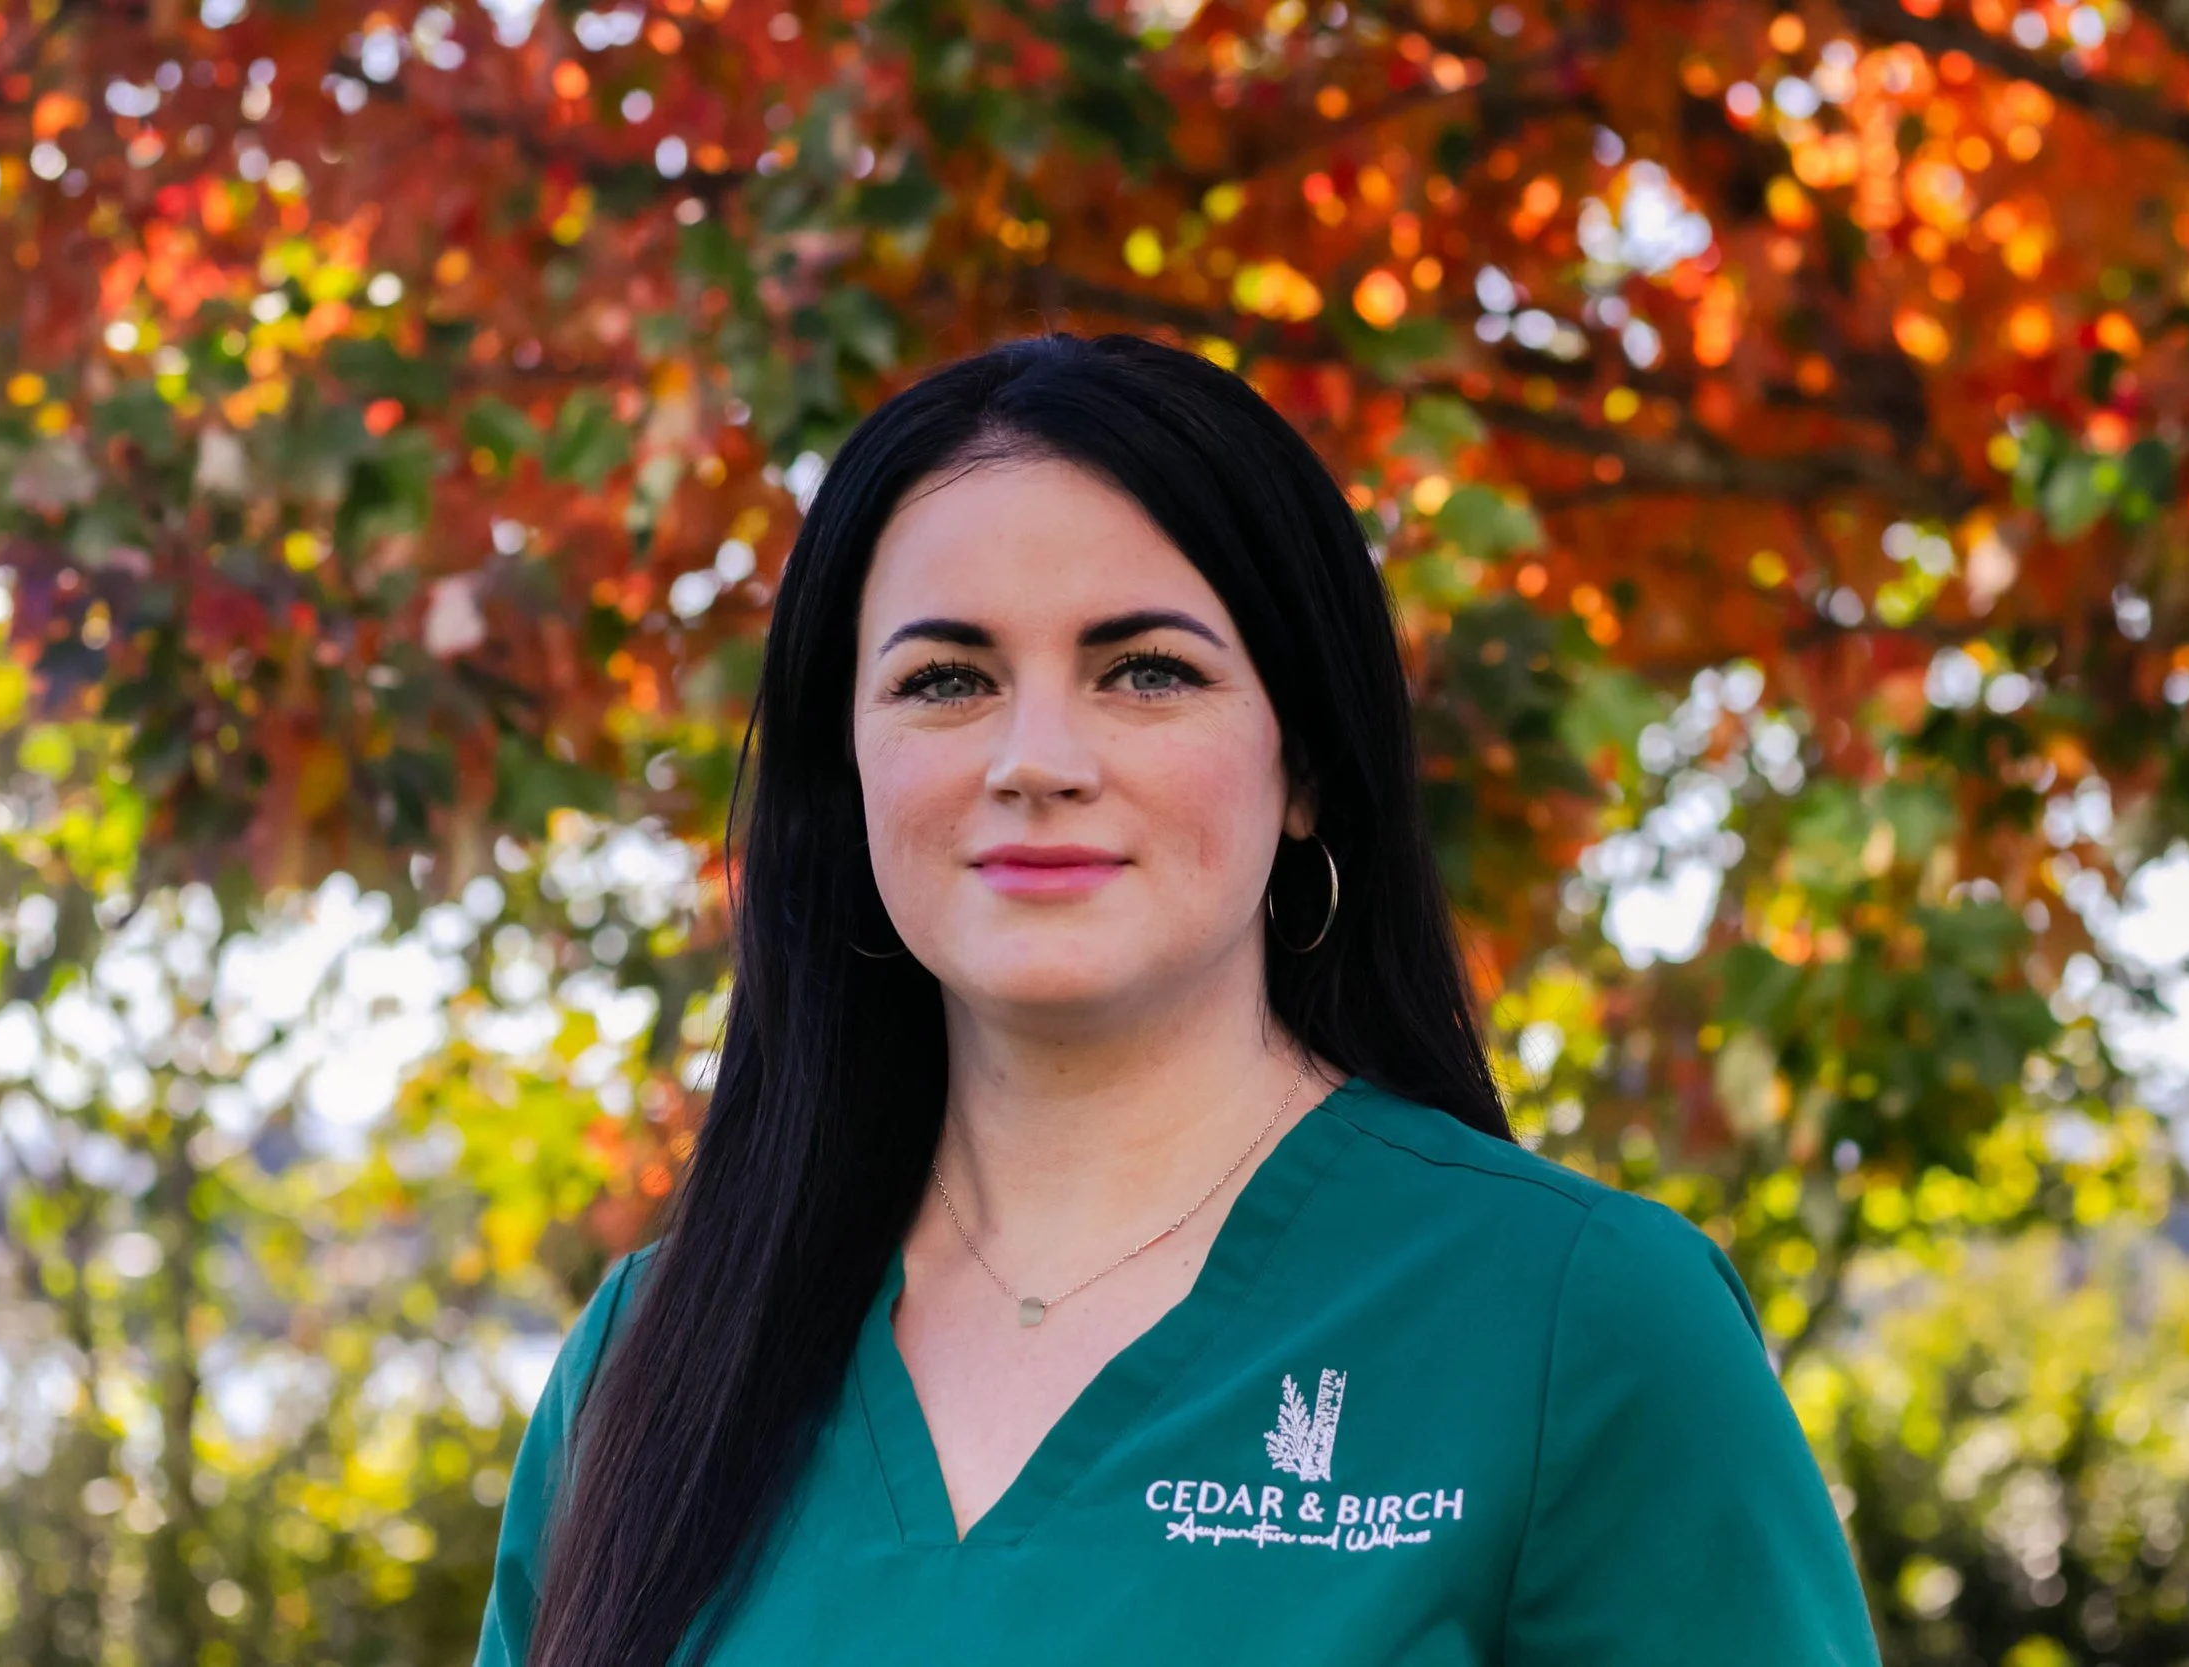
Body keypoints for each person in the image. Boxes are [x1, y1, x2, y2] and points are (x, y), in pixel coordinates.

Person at [472, 330, 1879, 1667]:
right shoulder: (653, 1361)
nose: (1036, 757)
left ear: (1308, 763)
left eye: (1147, 671)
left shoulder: (1579, 1323)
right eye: (947, 679)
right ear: (846, 781)